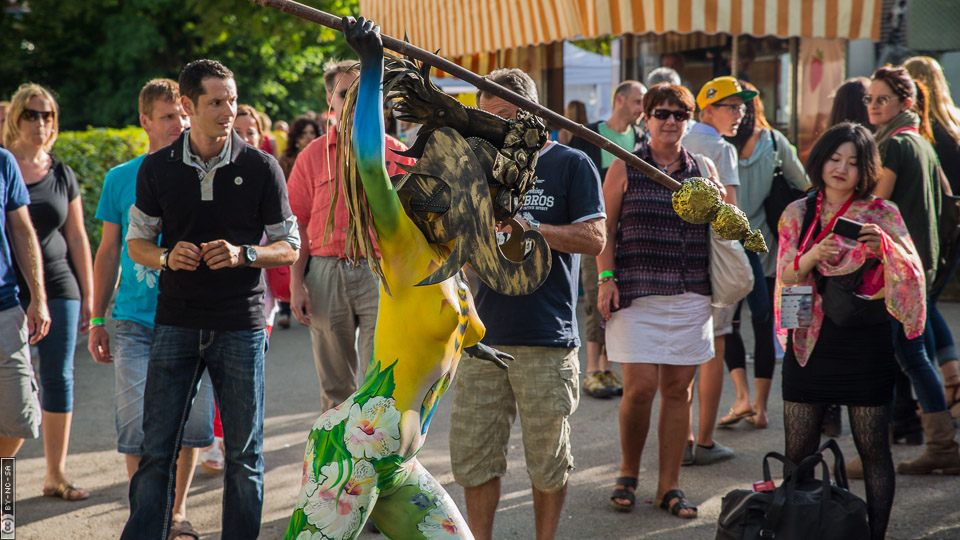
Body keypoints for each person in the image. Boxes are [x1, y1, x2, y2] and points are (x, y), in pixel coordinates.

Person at [285, 17, 556, 539]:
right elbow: (368, 163)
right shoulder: (405, 244)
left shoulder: (451, 261)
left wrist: (474, 345)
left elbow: (453, 331)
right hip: (355, 449)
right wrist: (370, 68)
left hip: (399, 462)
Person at [119, 59, 300, 540]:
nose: (228, 111)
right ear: (187, 105)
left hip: (241, 325)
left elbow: (291, 244)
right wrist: (163, 257)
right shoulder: (157, 168)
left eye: (232, 100)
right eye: (216, 102)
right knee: (157, 449)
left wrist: (246, 253)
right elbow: (136, 243)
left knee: (245, 454)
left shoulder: (262, 166)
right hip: (175, 322)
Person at [449, 69, 606, 540]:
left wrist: (532, 229)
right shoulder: (479, 167)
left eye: (499, 118)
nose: (489, 128)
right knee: (474, 460)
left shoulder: (572, 164)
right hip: (483, 337)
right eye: (483, 118)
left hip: (547, 338)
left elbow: (595, 239)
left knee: (548, 462)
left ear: (531, 114)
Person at [776, 122, 926, 540]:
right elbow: (786, 276)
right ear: (820, 160)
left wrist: (886, 250)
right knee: (797, 453)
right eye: (834, 158)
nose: (841, 168)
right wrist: (812, 256)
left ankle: (876, 535)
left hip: (865, 343)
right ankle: (794, 528)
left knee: (875, 451)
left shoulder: (883, 214)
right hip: (808, 341)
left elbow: (913, 274)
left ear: (867, 170)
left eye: (854, 163)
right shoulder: (797, 212)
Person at [88, 78, 216, 539]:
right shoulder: (120, 178)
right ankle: (148, 514)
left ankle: (175, 511)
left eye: (182, 115)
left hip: (193, 318)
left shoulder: (207, 173)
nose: (178, 124)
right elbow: (107, 252)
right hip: (134, 321)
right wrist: (97, 318)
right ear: (145, 121)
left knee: (190, 424)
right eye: (167, 117)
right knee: (138, 426)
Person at [599, 83, 720, 519]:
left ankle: (669, 485)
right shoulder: (626, 167)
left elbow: (727, 226)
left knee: (677, 389)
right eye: (661, 113)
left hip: (690, 293)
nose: (671, 121)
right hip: (636, 293)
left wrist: (722, 205)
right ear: (645, 119)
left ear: (688, 121)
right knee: (640, 389)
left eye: (679, 115)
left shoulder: (702, 169)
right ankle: (628, 471)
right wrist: (605, 279)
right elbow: (604, 230)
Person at [286, 60, 414, 412]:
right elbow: (296, 224)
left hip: (381, 271)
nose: (355, 101)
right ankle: (337, 463)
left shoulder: (398, 153)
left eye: (364, 93)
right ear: (330, 98)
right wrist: (297, 285)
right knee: (335, 386)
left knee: (383, 379)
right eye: (346, 93)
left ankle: (376, 463)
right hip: (326, 272)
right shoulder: (311, 157)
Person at [868, 65, 960, 475]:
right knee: (907, 354)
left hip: (897, 266)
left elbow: (873, 203)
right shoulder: (919, 140)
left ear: (906, 102)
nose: (873, 106)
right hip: (919, 264)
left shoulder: (892, 145)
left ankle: (934, 447)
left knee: (906, 356)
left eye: (882, 99)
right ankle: (934, 445)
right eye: (869, 99)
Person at [4, 83, 94, 501]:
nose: (40, 123)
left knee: (58, 376)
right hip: (9, 288)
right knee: (14, 388)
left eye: (48, 115)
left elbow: (78, 238)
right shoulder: (5, 165)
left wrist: (91, 300)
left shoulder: (62, 172)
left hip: (57, 284)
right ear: (15, 119)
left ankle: (55, 473)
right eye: (32, 114)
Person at [721, 81, 809, 430]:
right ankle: (760, 407)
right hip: (767, 249)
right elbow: (805, 186)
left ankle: (741, 396)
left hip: (725, 249)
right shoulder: (774, 142)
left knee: (728, 325)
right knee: (764, 323)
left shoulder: (717, 143)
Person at [681, 75, 755, 465]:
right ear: (707, 108)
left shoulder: (681, 140)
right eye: (732, 106)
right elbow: (732, 213)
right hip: (713, 262)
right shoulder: (719, 148)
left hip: (680, 261)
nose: (740, 114)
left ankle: (683, 437)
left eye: (742, 107)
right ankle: (704, 442)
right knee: (714, 346)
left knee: (686, 350)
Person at [568, 81, 645, 399]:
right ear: (619, 100)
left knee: (616, 299)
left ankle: (607, 367)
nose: (642, 109)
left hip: (628, 234)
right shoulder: (589, 134)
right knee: (594, 294)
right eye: (637, 101)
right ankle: (592, 369)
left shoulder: (642, 138)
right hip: (594, 230)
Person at [904, 56, 960, 411]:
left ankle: (943, 392)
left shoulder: (924, 133)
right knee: (931, 305)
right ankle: (953, 378)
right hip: (954, 230)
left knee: (921, 309)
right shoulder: (954, 125)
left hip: (930, 233)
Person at [0, 147, 49, 459]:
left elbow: (22, 231)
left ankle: (4, 501)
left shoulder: (4, 161)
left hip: (5, 308)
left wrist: (38, 298)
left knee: (20, 419)